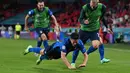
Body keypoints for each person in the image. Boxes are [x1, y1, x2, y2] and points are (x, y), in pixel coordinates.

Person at [71, 0, 113, 67]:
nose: (91, 3)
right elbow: (80, 19)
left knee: (96, 45)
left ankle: (87, 53)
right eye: (91, 2)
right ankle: (73, 63)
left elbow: (102, 18)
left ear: (97, 2)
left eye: (93, 2)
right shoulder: (85, 7)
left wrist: (107, 27)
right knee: (77, 46)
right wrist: (84, 21)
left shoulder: (102, 7)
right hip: (84, 30)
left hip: (94, 30)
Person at [24, 33, 88, 69]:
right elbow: (63, 57)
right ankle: (30, 49)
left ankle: (41, 56)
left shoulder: (80, 43)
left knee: (49, 57)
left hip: (59, 53)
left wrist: (84, 63)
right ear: (70, 39)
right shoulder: (65, 42)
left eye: (76, 41)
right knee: (43, 52)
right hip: (54, 48)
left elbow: (85, 54)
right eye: (74, 42)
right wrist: (69, 66)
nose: (75, 43)